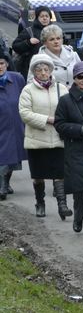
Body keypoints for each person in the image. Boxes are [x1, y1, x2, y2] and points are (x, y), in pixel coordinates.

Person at [18, 54, 72, 219]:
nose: (43, 73)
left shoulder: (61, 88)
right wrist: (47, 120)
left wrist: (63, 122)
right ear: (34, 72)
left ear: (50, 70)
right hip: (37, 139)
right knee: (38, 174)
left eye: (46, 69)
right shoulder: (28, 90)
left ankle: (62, 205)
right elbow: (24, 113)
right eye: (39, 70)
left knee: (59, 172)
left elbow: (68, 108)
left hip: (57, 138)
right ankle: (40, 202)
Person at [53, 61, 83, 236]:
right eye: (80, 77)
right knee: (80, 192)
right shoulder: (66, 100)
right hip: (76, 150)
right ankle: (78, 218)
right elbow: (59, 124)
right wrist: (79, 130)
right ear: (74, 78)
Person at [0, 51, 26, 201]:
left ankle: (5, 182)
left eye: (2, 63)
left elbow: (25, 96)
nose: (0, 67)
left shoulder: (17, 79)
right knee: (3, 154)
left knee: (13, 155)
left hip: (15, 122)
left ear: (7, 64)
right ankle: (2, 185)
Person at [12, 5, 51, 78]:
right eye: (42, 16)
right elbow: (15, 46)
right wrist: (28, 42)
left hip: (50, 69)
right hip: (31, 70)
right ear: (37, 18)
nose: (45, 18)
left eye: (47, 16)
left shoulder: (54, 30)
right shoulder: (29, 31)